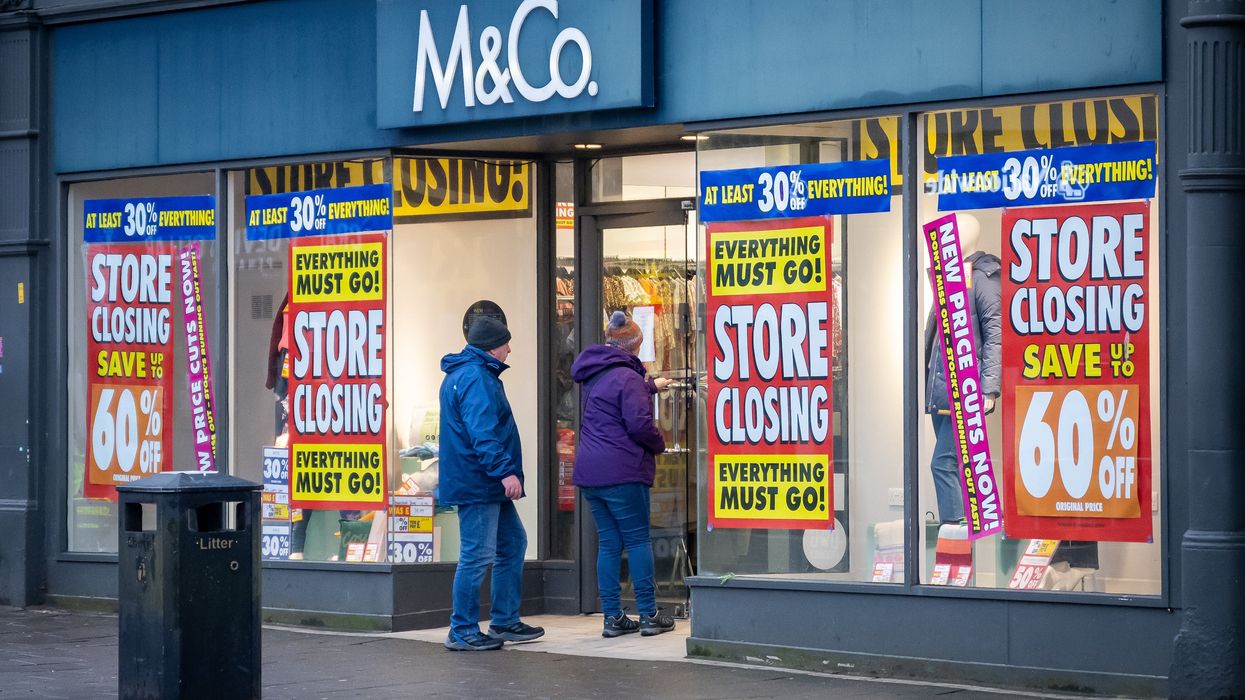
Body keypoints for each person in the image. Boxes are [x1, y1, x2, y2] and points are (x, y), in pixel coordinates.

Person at [438, 315, 544, 651]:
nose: (509, 349)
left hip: (481, 481)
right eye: (505, 344)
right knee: (477, 554)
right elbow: (482, 433)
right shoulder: (475, 378)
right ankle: (463, 629)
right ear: (491, 347)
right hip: (480, 482)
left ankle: (504, 620)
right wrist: (504, 471)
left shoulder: (467, 373)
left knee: (512, 542)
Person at [571, 310, 676, 638]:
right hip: (622, 471)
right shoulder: (629, 378)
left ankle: (613, 617)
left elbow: (615, 402)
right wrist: (660, 443)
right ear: (633, 346)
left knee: (609, 543)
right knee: (637, 539)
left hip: (591, 472)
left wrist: (651, 388)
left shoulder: (595, 372)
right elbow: (638, 424)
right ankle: (648, 614)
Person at [923, 213, 1001, 523]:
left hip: (966, 389)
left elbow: (996, 333)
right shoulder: (949, 278)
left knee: (942, 463)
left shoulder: (983, 277)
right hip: (943, 390)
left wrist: (988, 389)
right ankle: (965, 533)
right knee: (956, 464)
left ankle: (954, 534)